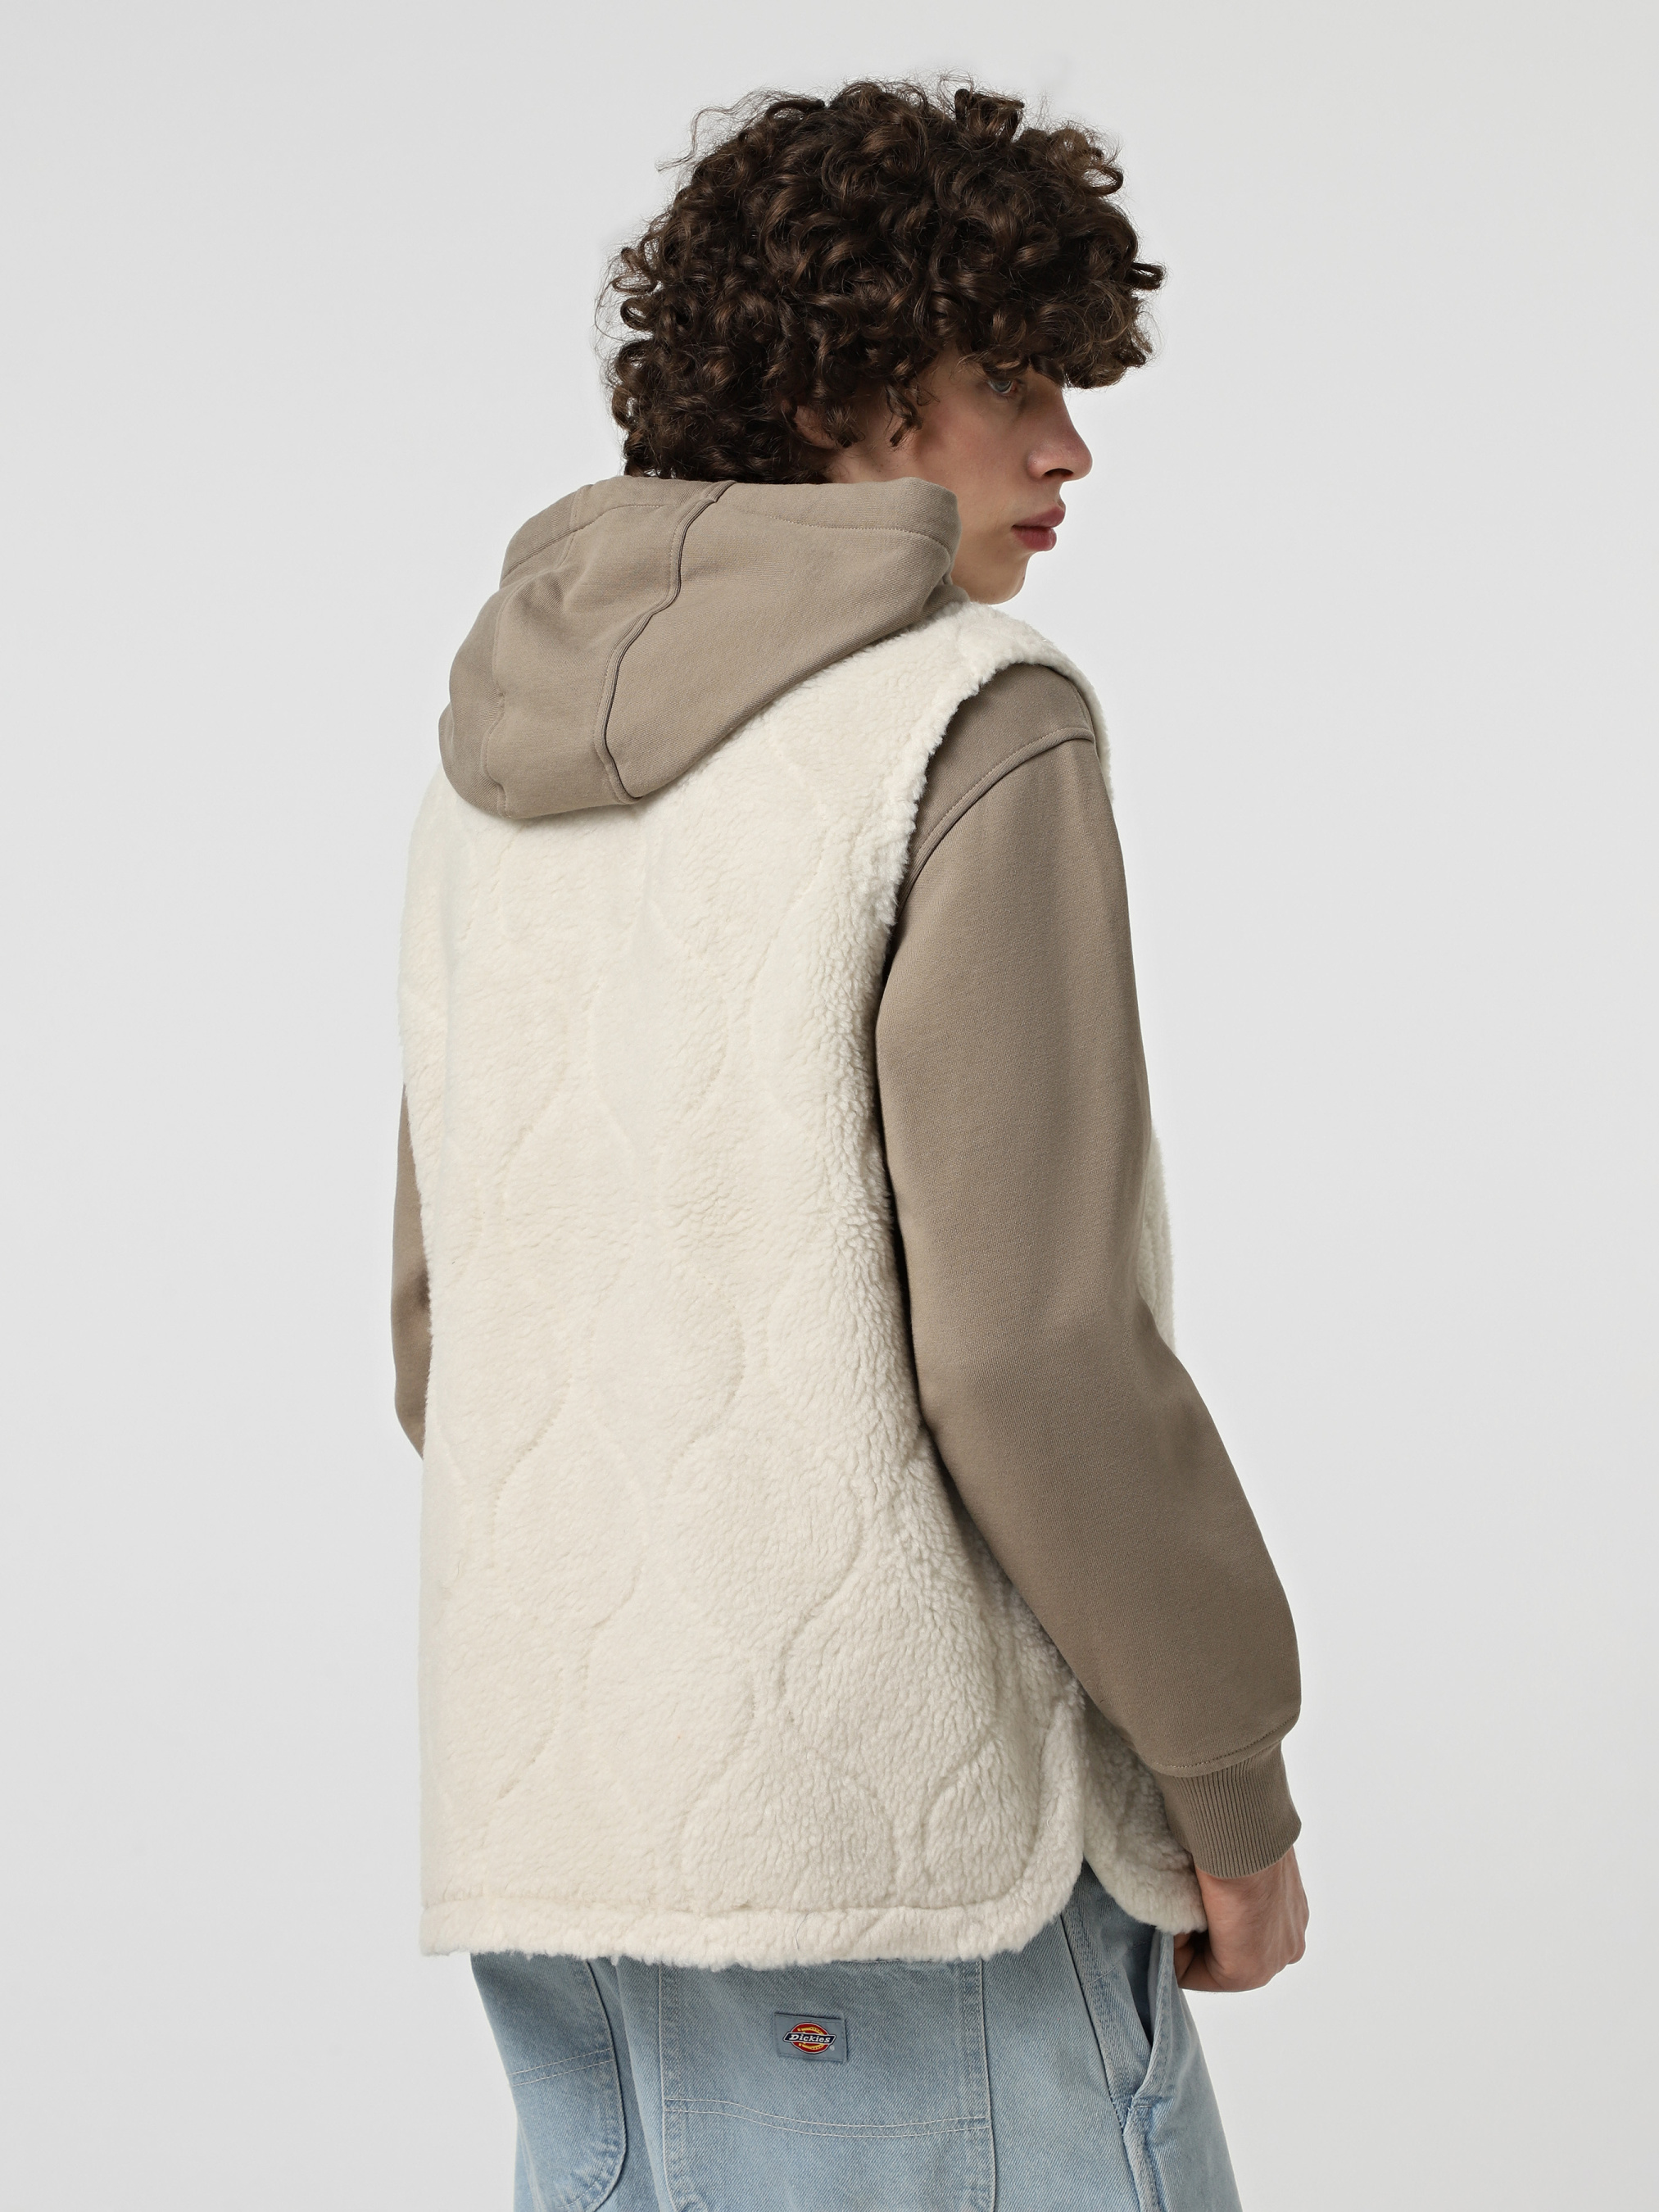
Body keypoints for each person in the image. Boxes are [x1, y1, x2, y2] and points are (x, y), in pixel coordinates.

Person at [393, 80, 1307, 2211]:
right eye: (1014, 381)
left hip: (559, 1847)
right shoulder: (970, 718)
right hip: (913, 1858)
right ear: (839, 387)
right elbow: (1034, 1351)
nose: (1069, 450)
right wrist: (1229, 1789)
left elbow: (446, 1336)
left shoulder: (483, 775)